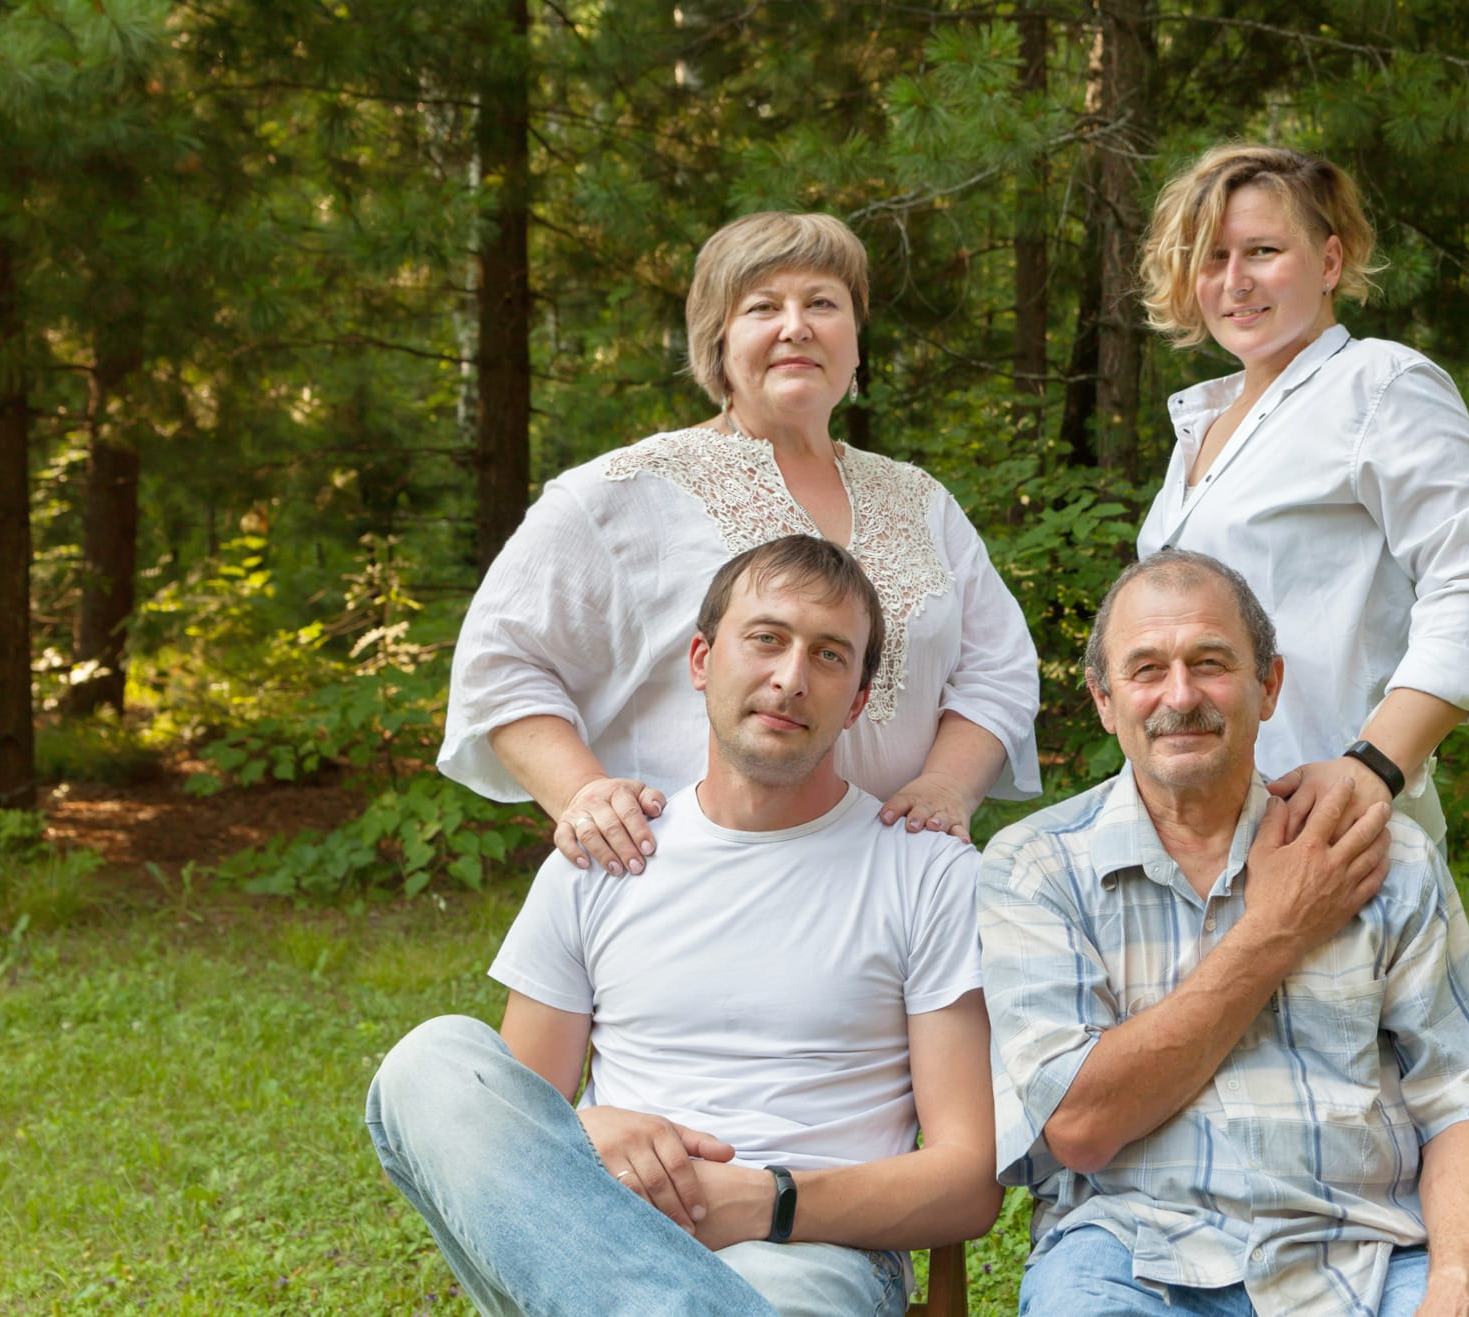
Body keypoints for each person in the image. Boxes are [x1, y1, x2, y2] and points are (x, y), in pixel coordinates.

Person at [368, 536, 1001, 1316]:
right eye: (766, 638)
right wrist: (590, 1132)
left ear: (859, 700)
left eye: (830, 656)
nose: (790, 678)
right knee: (427, 1065)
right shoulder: (603, 856)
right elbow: (521, 1127)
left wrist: (764, 1200)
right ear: (702, 660)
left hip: (809, 1254)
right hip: (599, 1232)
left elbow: (969, 1181)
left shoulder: (927, 874)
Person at [978, 551, 1469, 1317]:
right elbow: (1079, 1125)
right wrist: (1276, 928)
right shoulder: (1036, 866)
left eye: (1210, 662)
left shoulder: (1385, 854)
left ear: (1267, 686)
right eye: (1146, 669)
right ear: (1105, 700)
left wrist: (1464, 1279)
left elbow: (1460, 1096)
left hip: (1367, 1257)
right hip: (1132, 1261)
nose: (1180, 695)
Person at [441, 210, 1039, 878]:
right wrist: (583, 793)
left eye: (822, 302)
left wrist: (948, 785)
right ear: (716, 340)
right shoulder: (623, 494)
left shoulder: (921, 501)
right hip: (691, 884)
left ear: (855, 338)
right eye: (762, 306)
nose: (797, 326)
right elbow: (500, 659)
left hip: (899, 885)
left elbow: (999, 666)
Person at [1136, 144, 1469, 847]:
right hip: (1199, 835)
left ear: (1329, 262)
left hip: (1331, 825)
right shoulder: (1204, 422)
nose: (1235, 281)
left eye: (1261, 250)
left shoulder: (1378, 385)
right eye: (1212, 257)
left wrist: (1373, 765)